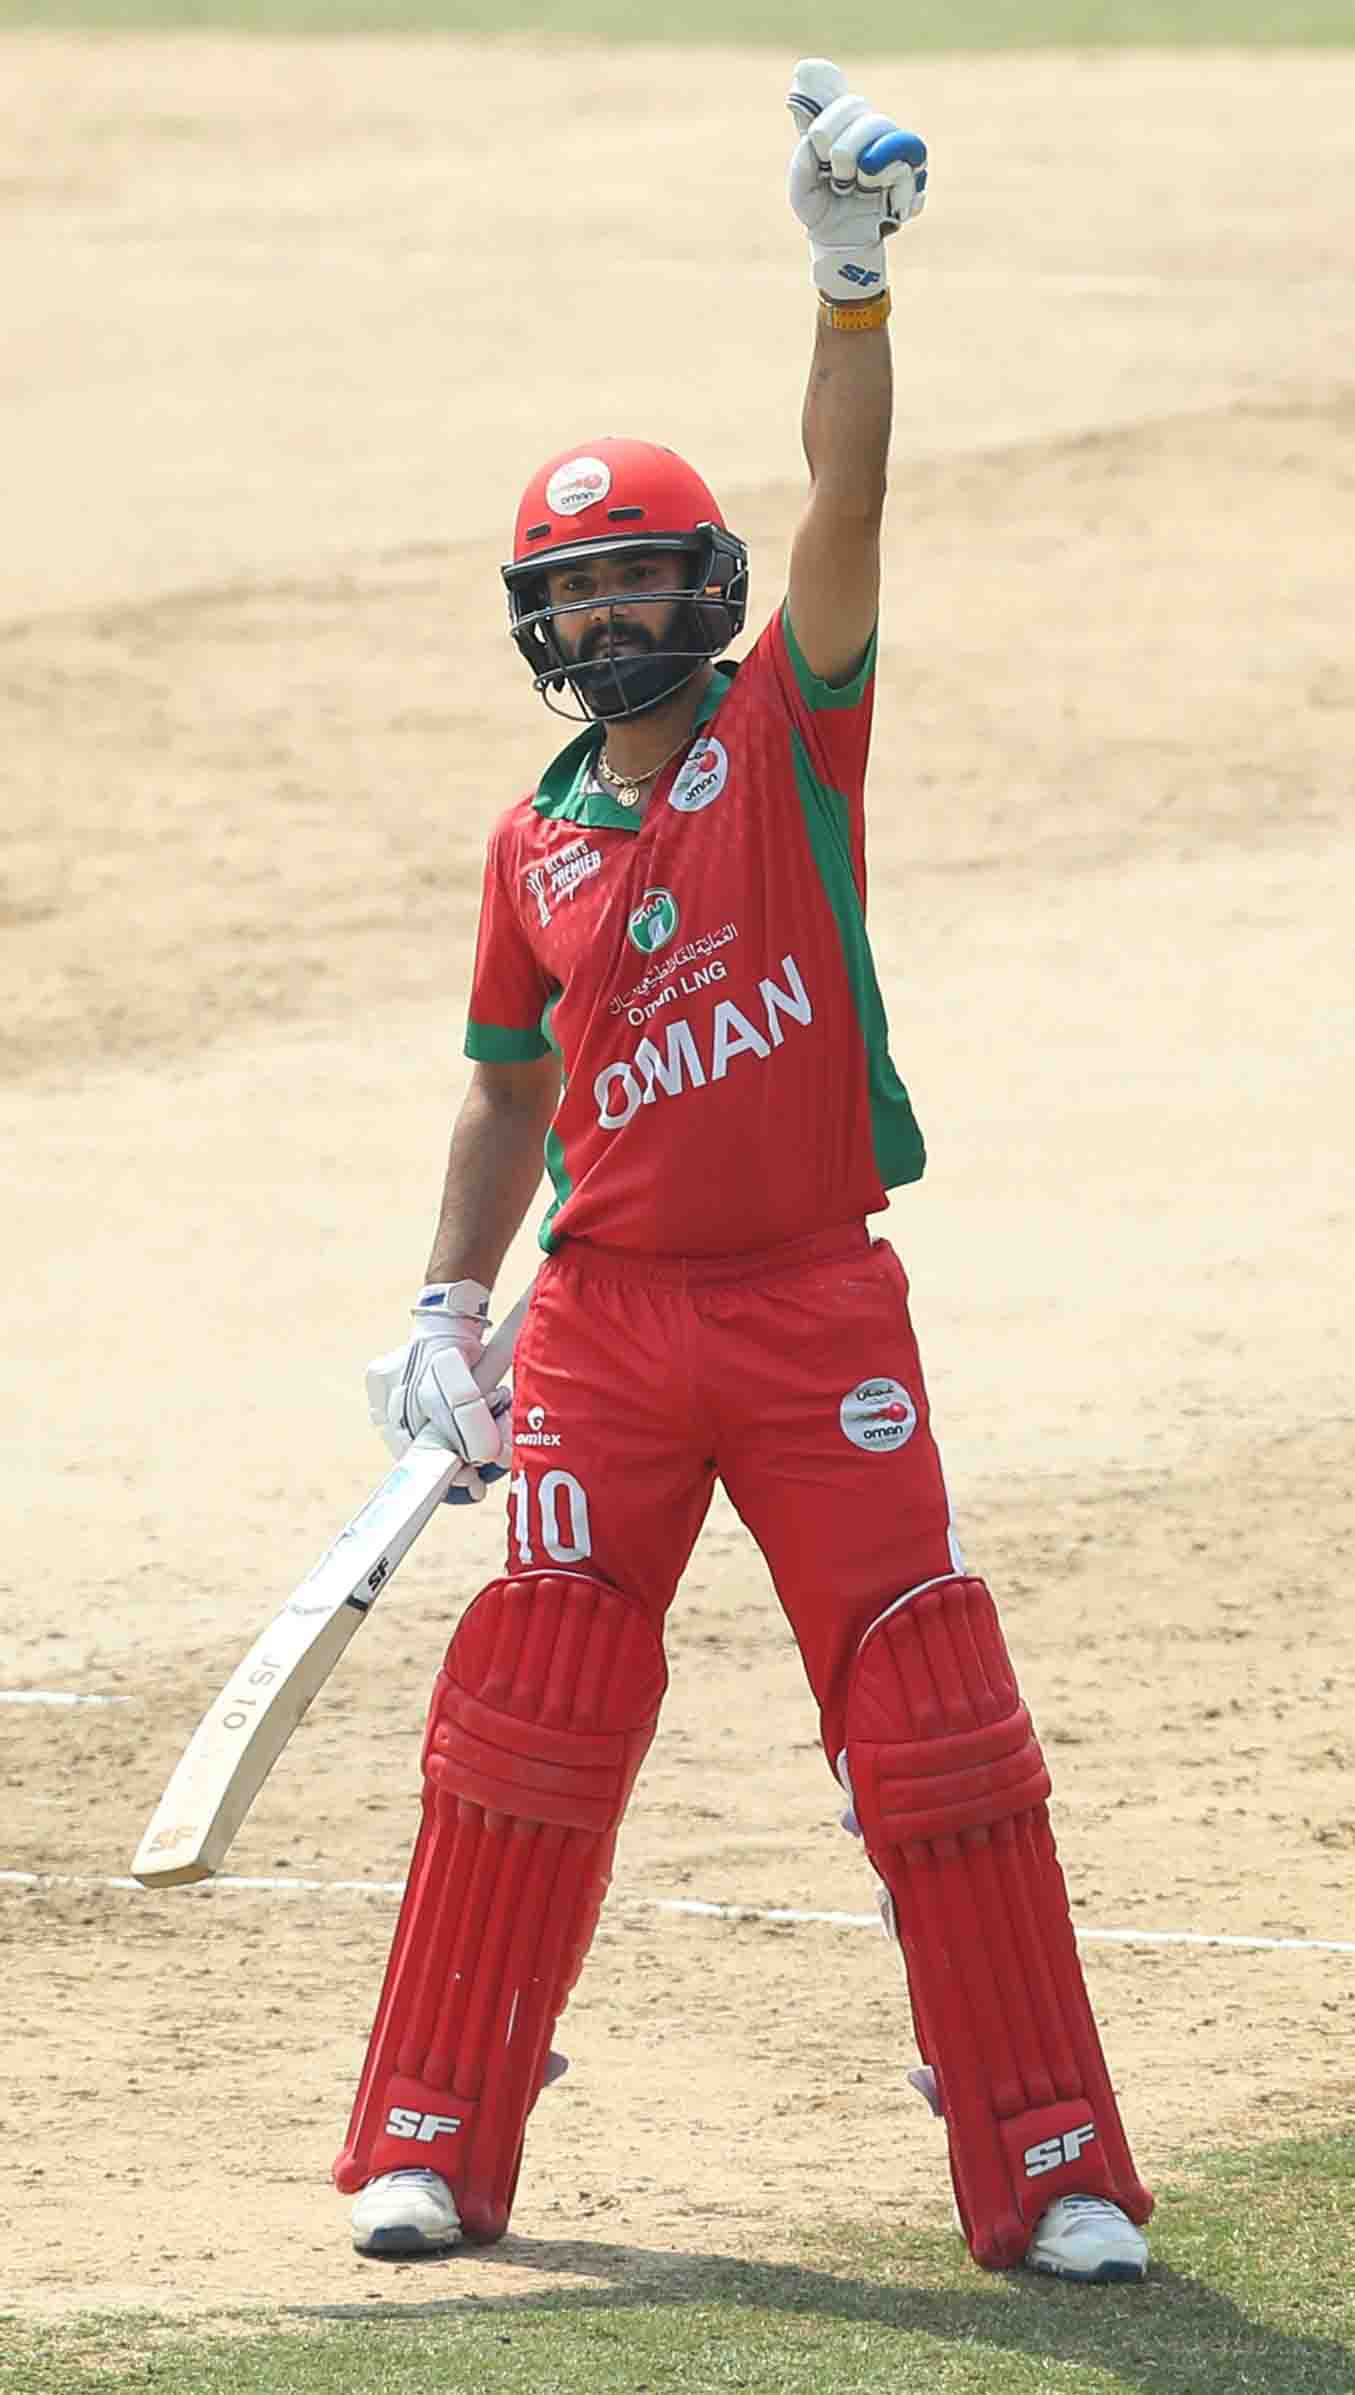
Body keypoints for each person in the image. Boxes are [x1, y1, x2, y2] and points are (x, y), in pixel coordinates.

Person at [333, 57, 1153, 2285]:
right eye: (571, 595)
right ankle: (434, 2134)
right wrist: (439, 1303)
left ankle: (1048, 2153)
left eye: (637, 585)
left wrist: (849, 284)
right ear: (537, 619)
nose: (607, 624)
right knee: (534, 1695)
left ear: (701, 590)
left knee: (929, 1702)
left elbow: (850, 508)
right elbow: (506, 1092)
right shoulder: (533, 842)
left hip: (814, 1306)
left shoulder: (796, 731)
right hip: (602, 1327)